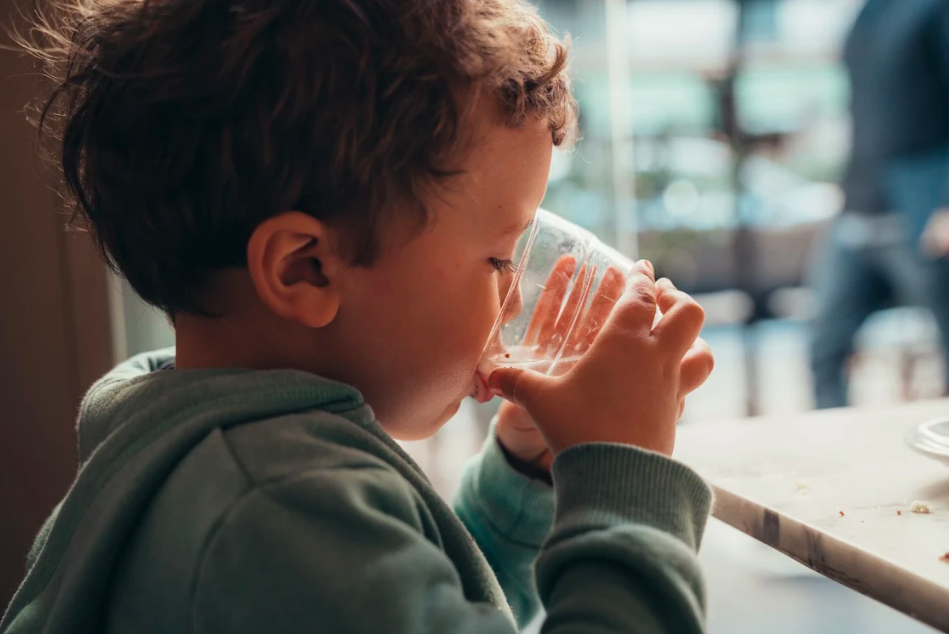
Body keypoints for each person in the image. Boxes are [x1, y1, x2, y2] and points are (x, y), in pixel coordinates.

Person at [2, 0, 715, 632]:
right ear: (303, 269)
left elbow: (414, 604)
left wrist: (524, 470)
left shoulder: (203, 442)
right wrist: (625, 484)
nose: (515, 297)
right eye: (498, 261)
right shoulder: (270, 509)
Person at [810, 0, 949, 408]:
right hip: (858, 206)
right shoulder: (868, 13)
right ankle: (832, 449)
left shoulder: (935, 9)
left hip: (921, 210)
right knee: (824, 343)